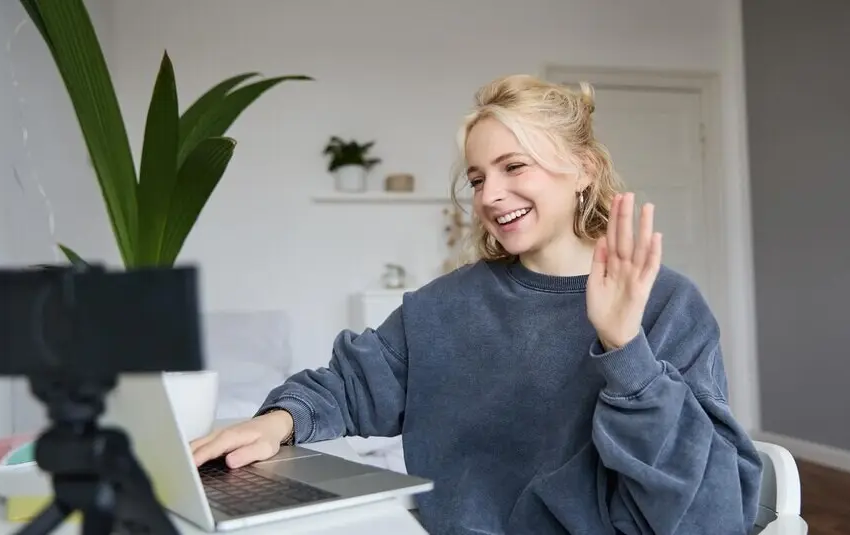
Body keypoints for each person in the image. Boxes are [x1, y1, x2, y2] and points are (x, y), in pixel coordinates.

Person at [190, 74, 763, 535]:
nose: (490, 195)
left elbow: (713, 514)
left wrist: (625, 349)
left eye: (514, 167)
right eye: (477, 178)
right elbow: (351, 383)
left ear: (584, 169)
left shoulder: (667, 305)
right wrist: (278, 422)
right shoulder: (444, 306)